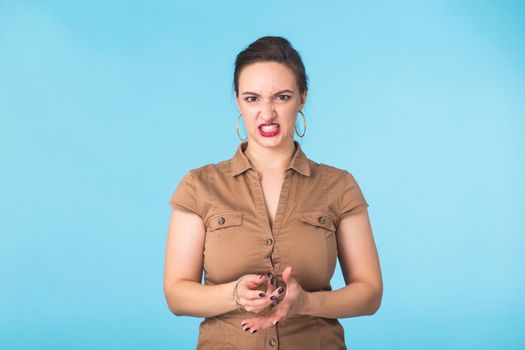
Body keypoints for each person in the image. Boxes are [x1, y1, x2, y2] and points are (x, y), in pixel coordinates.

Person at [164, 36, 383, 349]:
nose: (266, 113)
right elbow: (176, 294)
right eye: (253, 98)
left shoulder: (339, 186)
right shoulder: (199, 185)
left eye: (281, 97)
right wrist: (234, 294)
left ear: (302, 98)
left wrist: (306, 302)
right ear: (237, 101)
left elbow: (370, 293)